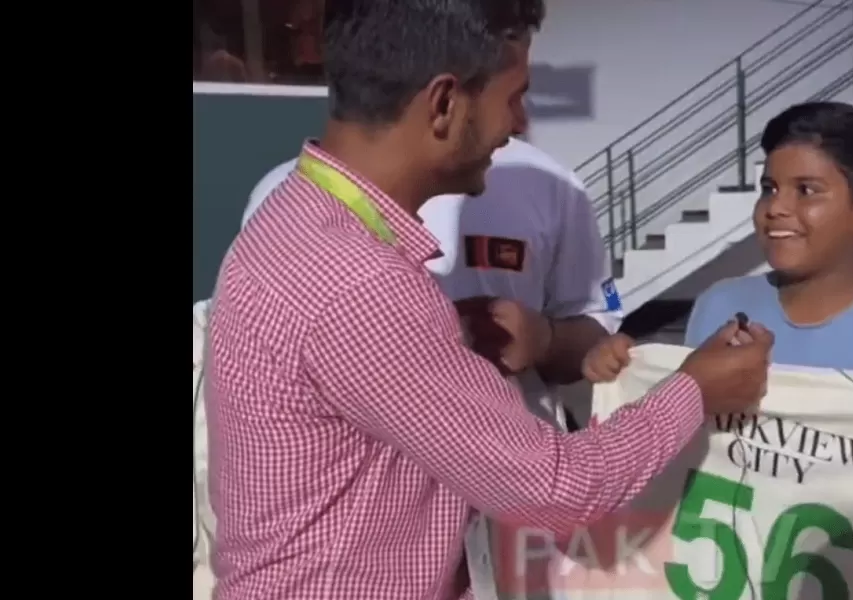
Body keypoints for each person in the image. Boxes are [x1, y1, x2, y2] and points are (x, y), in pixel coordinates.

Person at [203, 1, 775, 598]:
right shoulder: (364, 285)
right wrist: (696, 389)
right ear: (445, 105)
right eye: (514, 96)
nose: (519, 124)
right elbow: (560, 491)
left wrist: (452, 346)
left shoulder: (291, 215)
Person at [583, 101, 853, 442]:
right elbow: (686, 427)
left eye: (806, 190)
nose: (776, 207)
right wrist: (626, 373)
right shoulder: (720, 304)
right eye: (769, 189)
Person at [243, 134, 616, 429]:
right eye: (512, 95)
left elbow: (596, 323)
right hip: (364, 501)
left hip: (518, 496)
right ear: (446, 97)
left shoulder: (549, 182)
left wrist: (545, 342)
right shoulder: (280, 200)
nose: (520, 118)